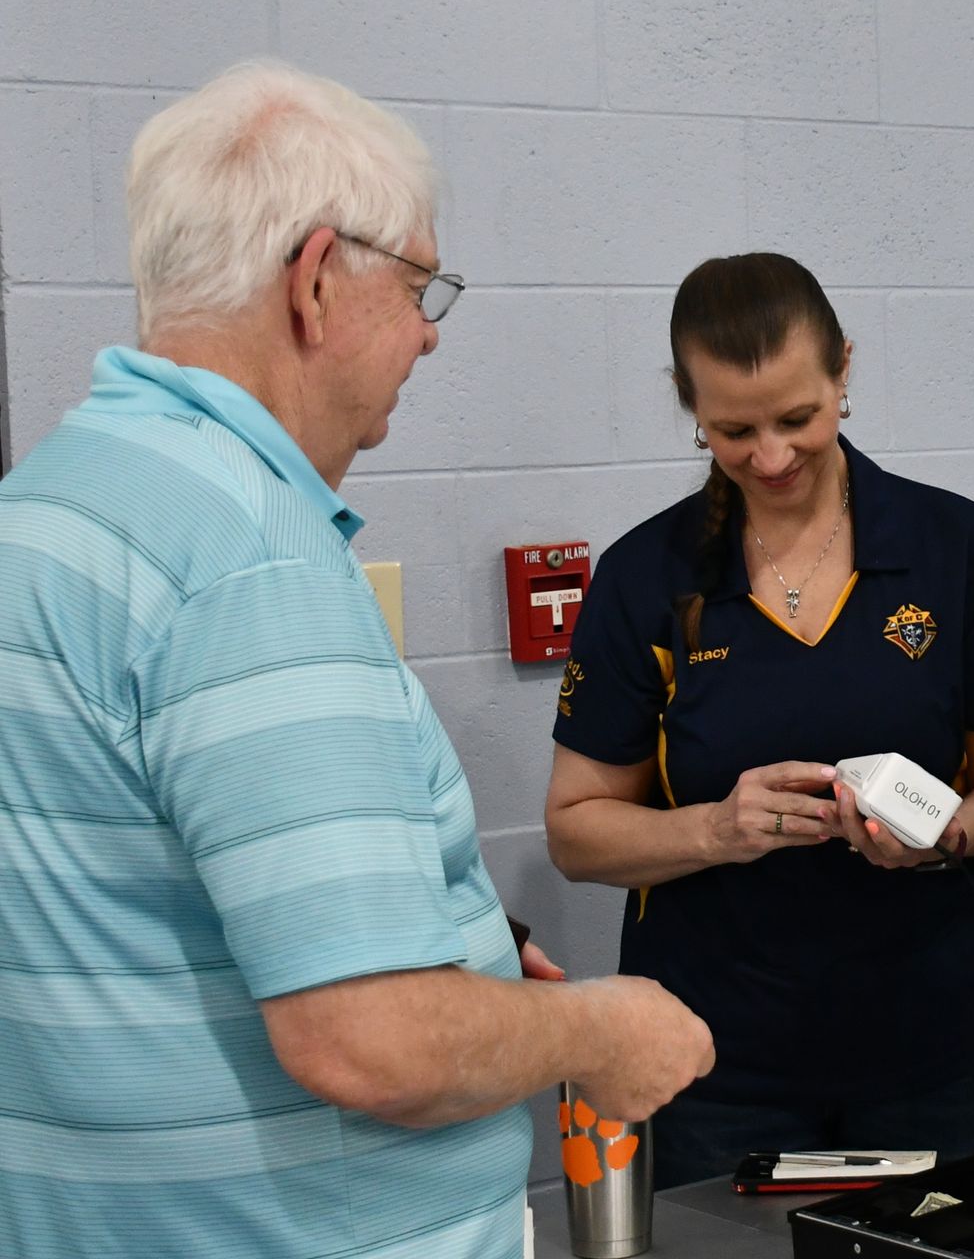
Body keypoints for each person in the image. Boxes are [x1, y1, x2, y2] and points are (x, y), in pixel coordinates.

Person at [0, 62, 713, 1259]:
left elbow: (137, 902)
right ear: (317, 280)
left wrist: (453, 949)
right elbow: (365, 1038)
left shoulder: (47, 505)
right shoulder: (250, 558)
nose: (429, 333)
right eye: (420, 285)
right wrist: (600, 1030)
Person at [544, 252, 974, 1188]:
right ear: (689, 405)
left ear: (843, 370)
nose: (772, 457)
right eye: (733, 430)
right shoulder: (646, 577)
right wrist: (716, 829)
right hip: (718, 1067)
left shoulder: (952, 546)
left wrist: (947, 833)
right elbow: (576, 831)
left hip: (943, 1051)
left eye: (798, 419)